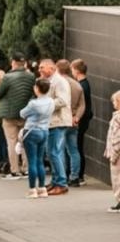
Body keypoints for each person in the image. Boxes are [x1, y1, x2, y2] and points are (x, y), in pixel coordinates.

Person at [0, 55, 35, 178]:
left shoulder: (7, 77)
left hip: (9, 114)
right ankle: (27, 168)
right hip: (26, 113)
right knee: (25, 141)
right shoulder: (31, 76)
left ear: (13, 62)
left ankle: (15, 170)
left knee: (11, 142)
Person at [40, 57, 72, 194]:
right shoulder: (51, 81)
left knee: (54, 152)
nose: (39, 70)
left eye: (42, 67)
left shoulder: (59, 82)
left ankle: (61, 183)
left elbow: (62, 100)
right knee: (52, 152)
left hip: (58, 122)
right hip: (52, 122)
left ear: (51, 68)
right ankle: (55, 181)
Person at [20, 78, 54, 199]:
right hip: (44, 130)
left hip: (31, 131)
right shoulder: (51, 101)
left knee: (32, 161)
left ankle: (32, 189)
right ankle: (42, 188)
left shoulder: (33, 103)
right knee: (40, 160)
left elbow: (22, 113)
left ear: (37, 89)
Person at [57, 59, 88, 185]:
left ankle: (62, 176)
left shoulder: (58, 84)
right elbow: (82, 105)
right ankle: (74, 177)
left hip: (61, 121)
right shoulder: (77, 85)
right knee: (73, 150)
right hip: (73, 121)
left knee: (59, 150)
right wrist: (77, 117)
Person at [72, 59, 93, 185]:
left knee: (77, 147)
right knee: (78, 146)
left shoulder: (82, 86)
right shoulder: (84, 84)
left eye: (72, 69)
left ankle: (79, 175)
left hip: (81, 120)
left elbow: (83, 105)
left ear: (77, 70)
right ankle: (79, 174)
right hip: (84, 119)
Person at [105, 89, 120, 212]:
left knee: (117, 178)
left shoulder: (117, 118)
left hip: (117, 154)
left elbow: (117, 137)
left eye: (114, 101)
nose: (113, 103)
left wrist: (114, 153)